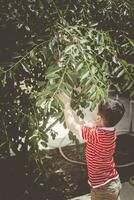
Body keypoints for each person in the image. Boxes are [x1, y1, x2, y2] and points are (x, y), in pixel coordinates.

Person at [56, 92, 125, 200]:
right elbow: (81, 123)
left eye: (95, 109)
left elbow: (72, 125)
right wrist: (68, 111)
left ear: (98, 118)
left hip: (103, 189)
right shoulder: (109, 131)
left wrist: (67, 105)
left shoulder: (96, 134)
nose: (92, 110)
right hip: (111, 182)